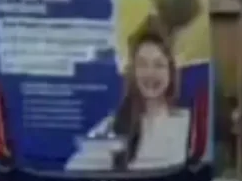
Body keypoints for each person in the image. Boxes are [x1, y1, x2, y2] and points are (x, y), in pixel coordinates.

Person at [65, 26, 191, 171]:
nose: (150, 73)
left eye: (159, 65)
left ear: (171, 72)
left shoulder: (189, 125)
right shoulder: (114, 125)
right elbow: (74, 167)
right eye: (142, 64)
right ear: (133, 71)